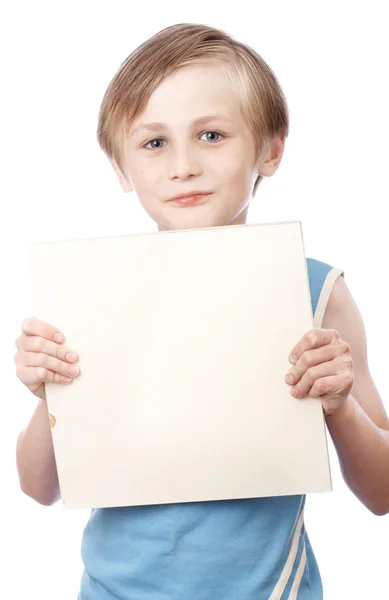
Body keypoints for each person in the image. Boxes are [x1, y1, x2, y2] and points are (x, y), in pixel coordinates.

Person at [15, 23, 389, 600]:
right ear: (120, 166)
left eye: (212, 135)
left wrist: (337, 407)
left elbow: (383, 492)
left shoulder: (315, 289)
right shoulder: (93, 296)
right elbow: (39, 488)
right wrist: (51, 396)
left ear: (270, 149)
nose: (183, 165)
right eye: (154, 142)